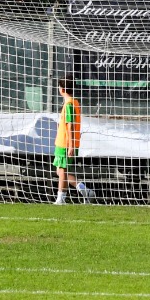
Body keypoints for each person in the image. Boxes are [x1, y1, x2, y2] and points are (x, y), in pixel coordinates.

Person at [53, 77, 92, 205]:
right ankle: (84, 189)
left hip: (65, 143)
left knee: (62, 170)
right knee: (59, 171)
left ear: (62, 89)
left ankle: (61, 199)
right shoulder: (74, 102)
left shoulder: (70, 104)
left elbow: (70, 125)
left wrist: (70, 146)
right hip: (63, 142)